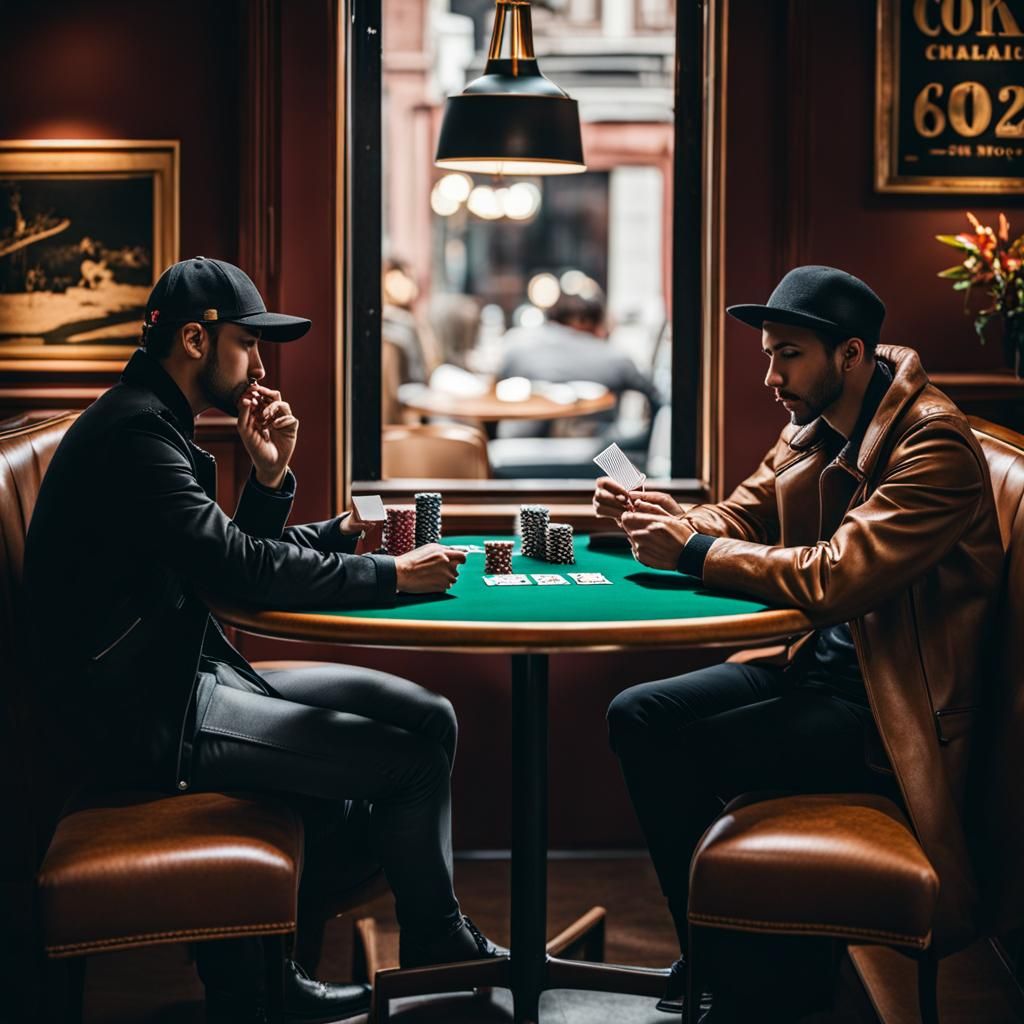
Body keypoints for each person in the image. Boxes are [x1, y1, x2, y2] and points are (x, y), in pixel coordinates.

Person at [22, 256, 506, 1023]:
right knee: (410, 766)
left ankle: (289, 965)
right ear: (195, 339)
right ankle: (411, 952)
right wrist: (390, 575)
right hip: (145, 719)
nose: (259, 366)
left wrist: (280, 487)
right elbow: (240, 571)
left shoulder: (150, 421)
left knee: (429, 717)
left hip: (183, 678)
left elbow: (221, 564)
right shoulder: (136, 435)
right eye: (248, 344)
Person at [593, 265, 1003, 1018]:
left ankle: (744, 975)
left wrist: (691, 551)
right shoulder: (815, 421)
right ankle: (722, 957)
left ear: (850, 354)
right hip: (813, 667)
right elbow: (741, 516)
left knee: (677, 748)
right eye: (768, 354)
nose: (770, 377)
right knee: (637, 714)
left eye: (787, 355)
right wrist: (663, 517)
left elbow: (835, 577)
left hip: (885, 715)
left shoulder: (933, 446)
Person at [497, 289, 662, 440]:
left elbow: (497, 384)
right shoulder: (614, 358)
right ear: (583, 322)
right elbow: (656, 395)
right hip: (596, 450)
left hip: (516, 446)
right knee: (618, 449)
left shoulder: (515, 344)